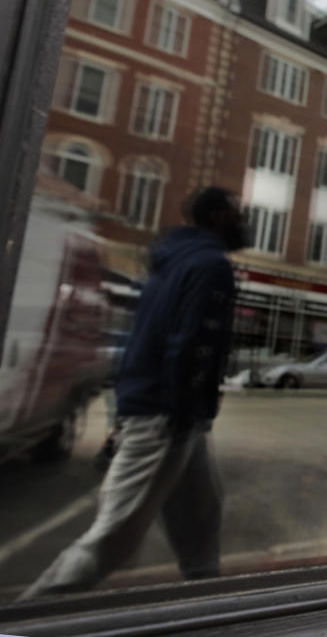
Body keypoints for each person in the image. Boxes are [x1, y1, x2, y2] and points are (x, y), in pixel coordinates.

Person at [21, 187, 245, 599]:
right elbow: (190, 342)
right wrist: (180, 413)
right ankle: (31, 613)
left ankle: (205, 592)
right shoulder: (209, 265)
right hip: (167, 412)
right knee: (114, 535)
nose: (243, 221)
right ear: (216, 217)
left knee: (201, 511)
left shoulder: (170, 262)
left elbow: (142, 338)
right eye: (237, 213)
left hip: (164, 408)